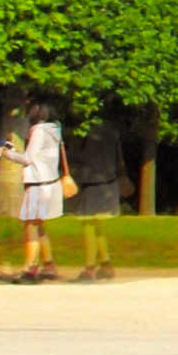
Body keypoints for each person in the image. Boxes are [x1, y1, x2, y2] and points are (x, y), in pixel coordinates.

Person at [13, 98, 67, 284]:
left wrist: (8, 154)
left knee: (31, 226)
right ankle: (48, 264)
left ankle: (30, 269)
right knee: (39, 225)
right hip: (50, 182)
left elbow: (28, 158)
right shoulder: (55, 129)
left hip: (38, 183)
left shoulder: (39, 130)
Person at [69, 118, 122, 280]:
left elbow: (85, 157)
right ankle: (106, 264)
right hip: (108, 181)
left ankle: (90, 267)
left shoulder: (89, 134)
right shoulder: (112, 132)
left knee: (88, 224)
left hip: (92, 181)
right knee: (96, 225)